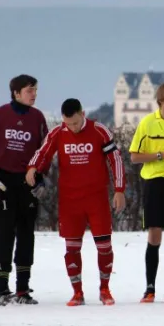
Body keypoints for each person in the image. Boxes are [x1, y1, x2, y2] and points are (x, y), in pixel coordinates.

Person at [26, 98, 126, 306]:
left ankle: (105, 289)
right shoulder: (58, 132)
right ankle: (77, 292)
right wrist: (33, 167)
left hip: (96, 199)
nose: (72, 128)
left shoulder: (99, 131)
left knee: (104, 246)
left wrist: (119, 190)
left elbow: (115, 159)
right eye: (67, 123)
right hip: (70, 201)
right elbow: (43, 152)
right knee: (72, 248)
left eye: (75, 123)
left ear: (82, 114)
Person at [0, 74, 49, 306]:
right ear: (16, 93)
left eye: (35, 90)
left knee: (27, 236)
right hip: (3, 183)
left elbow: (45, 151)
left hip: (27, 183)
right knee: (4, 236)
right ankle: (1, 290)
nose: (34, 94)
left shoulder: (38, 118)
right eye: (29, 90)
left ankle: (23, 290)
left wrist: (39, 176)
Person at [129, 82, 164, 304]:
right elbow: (134, 156)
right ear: (163, 99)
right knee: (154, 233)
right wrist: (160, 155)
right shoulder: (147, 123)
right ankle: (149, 288)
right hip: (154, 182)